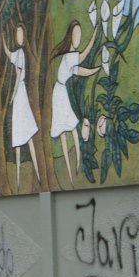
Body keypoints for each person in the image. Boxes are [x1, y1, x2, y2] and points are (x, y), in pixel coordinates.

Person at [49, 20, 100, 185]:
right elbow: (84, 55)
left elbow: (80, 71)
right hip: (59, 93)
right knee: (63, 131)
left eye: (80, 34)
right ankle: (71, 173)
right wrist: (94, 35)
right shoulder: (69, 56)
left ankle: (77, 163)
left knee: (71, 126)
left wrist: (95, 70)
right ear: (70, 36)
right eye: (76, 34)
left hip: (62, 92)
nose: (78, 38)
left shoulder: (70, 58)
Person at [2, 24, 40, 191]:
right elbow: (9, 54)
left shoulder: (23, 53)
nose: (19, 36)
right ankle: (17, 179)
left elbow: (18, 76)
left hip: (20, 95)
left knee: (28, 134)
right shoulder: (17, 53)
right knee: (18, 137)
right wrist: (3, 40)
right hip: (18, 96)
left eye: (21, 33)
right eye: (17, 33)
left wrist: (12, 95)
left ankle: (37, 174)